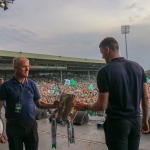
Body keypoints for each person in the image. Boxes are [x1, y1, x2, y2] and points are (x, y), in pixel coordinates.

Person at [74, 37, 149, 150]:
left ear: (107, 50)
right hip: (136, 120)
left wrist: (85, 106)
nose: (102, 56)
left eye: (102, 52)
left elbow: (101, 106)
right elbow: (146, 97)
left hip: (117, 123)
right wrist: (145, 121)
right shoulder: (138, 68)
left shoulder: (104, 72)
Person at [0, 56, 59, 150]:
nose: (28, 69)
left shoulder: (32, 84)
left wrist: (53, 105)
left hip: (31, 126)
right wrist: (0, 131)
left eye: (28, 66)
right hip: (13, 127)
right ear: (15, 68)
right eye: (24, 66)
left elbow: (39, 103)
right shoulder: (6, 86)